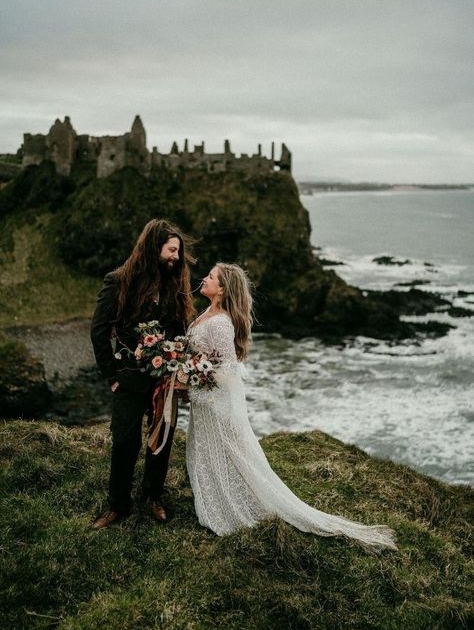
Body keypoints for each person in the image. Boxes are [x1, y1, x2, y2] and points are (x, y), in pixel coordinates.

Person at [186, 263, 397, 553]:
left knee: (230, 454)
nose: (205, 279)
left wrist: (194, 373)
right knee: (210, 450)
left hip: (214, 401)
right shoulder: (208, 313)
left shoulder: (221, 322)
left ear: (222, 289)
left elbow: (227, 367)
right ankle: (212, 495)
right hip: (203, 399)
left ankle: (234, 504)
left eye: (211, 277)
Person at [90, 219, 195, 529]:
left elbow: (179, 330)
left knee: (161, 440)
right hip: (128, 379)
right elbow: (98, 331)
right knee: (124, 442)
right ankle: (117, 505)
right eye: (172, 250)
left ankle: (152, 497)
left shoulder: (174, 283)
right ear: (154, 248)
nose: (177, 257)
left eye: (178, 251)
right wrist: (112, 376)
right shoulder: (118, 281)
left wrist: (180, 368)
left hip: (165, 381)